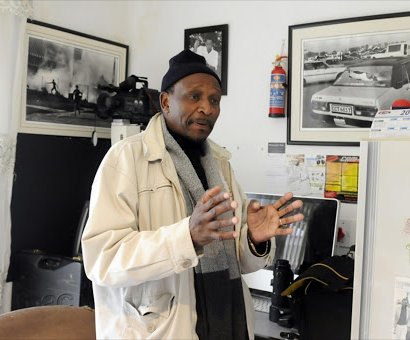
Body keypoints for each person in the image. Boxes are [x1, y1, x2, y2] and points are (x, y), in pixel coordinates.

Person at [81, 49, 304, 339]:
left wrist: (253, 239)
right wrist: (185, 237)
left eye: (214, 100)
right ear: (165, 102)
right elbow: (102, 261)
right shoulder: (126, 159)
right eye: (194, 96)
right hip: (158, 328)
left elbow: (241, 262)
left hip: (228, 320)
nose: (207, 108)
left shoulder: (220, 164)